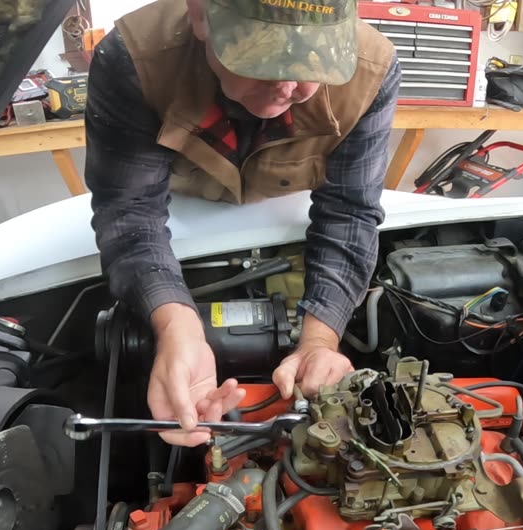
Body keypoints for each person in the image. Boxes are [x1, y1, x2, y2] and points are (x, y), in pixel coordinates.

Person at [85, 0, 399, 445]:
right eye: (264, 59)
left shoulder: (370, 71)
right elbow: (129, 210)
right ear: (199, 16)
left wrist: (319, 342)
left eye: (315, 58)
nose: (289, 86)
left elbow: (349, 211)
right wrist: (177, 327)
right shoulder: (135, 59)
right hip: (185, 204)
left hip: (285, 207)